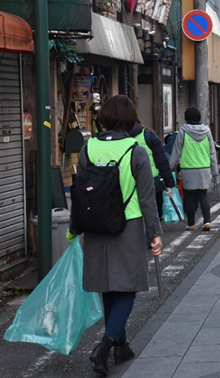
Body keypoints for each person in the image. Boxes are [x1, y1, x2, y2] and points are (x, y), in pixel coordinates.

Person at [68, 95, 163, 376]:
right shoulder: (136, 150)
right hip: (127, 226)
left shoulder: (89, 148)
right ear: (130, 118)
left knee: (108, 287)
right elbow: (147, 199)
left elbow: (78, 191)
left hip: (95, 228)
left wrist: (75, 228)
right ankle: (106, 345)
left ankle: (121, 345)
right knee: (127, 288)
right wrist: (155, 234)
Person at [169, 107, 219, 232]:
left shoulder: (183, 131)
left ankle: (191, 224)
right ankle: (207, 222)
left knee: (189, 196)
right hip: (204, 168)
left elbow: (176, 151)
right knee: (203, 195)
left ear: (186, 118)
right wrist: (215, 170)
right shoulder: (206, 131)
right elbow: (212, 152)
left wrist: (169, 168)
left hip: (188, 169)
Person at [129, 121, 175, 219]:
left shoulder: (113, 139)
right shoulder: (148, 135)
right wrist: (169, 183)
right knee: (152, 218)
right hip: (151, 183)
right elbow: (162, 161)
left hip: (127, 186)